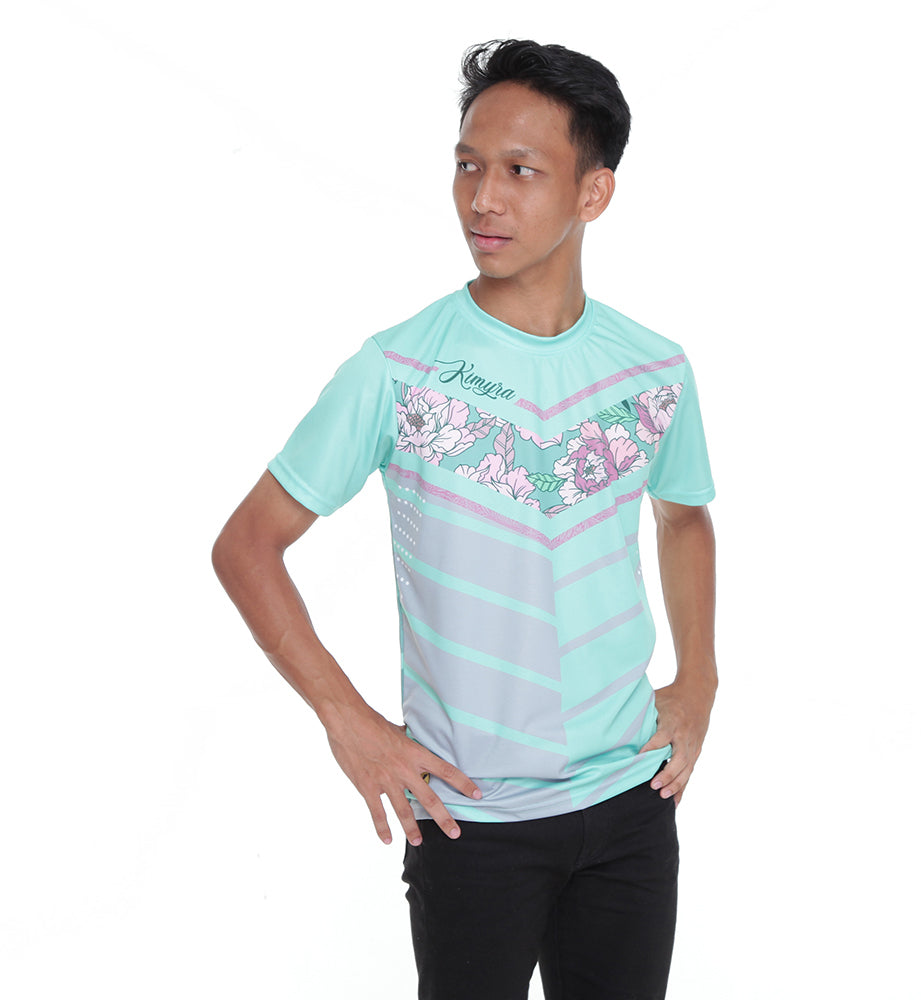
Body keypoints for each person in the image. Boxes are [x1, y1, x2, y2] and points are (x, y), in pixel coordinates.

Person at [213, 38, 717, 1000]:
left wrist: (699, 678)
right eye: (468, 166)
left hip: (632, 805)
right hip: (471, 822)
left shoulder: (654, 369)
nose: (483, 199)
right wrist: (348, 721)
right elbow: (247, 546)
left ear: (594, 193)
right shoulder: (398, 370)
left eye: (520, 171)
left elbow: (684, 516)